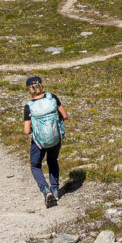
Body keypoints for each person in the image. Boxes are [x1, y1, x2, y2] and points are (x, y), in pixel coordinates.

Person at [23, 75, 68, 208]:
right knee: (52, 161)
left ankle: (45, 189)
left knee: (35, 165)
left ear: (29, 89)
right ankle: (55, 190)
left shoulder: (29, 106)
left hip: (39, 142)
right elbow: (65, 115)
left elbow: (26, 131)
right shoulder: (52, 98)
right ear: (42, 86)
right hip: (55, 138)